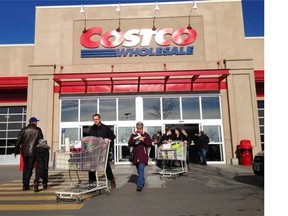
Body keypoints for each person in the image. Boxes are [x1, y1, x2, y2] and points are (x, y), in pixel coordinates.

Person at [14, 117, 44, 191]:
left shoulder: (23, 130)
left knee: (26, 167)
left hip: (24, 151)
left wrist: (16, 150)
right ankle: (25, 184)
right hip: (33, 151)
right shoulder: (38, 130)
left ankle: (25, 183)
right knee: (30, 168)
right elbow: (41, 140)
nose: (37, 123)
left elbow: (18, 141)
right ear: (33, 122)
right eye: (36, 121)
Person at [88, 113, 116, 188]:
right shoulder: (92, 129)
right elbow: (89, 138)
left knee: (106, 165)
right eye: (94, 119)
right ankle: (92, 182)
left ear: (100, 119)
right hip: (94, 150)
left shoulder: (105, 128)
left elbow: (113, 136)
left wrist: (108, 139)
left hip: (104, 150)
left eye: (97, 119)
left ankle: (112, 180)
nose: (96, 121)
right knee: (92, 166)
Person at [128, 122, 152, 192]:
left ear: (142, 128)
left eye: (140, 128)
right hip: (136, 156)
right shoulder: (133, 135)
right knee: (139, 170)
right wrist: (133, 140)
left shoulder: (146, 135)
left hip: (143, 155)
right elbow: (129, 144)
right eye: (138, 128)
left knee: (141, 169)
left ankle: (139, 185)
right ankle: (142, 181)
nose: (139, 130)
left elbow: (150, 144)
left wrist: (143, 140)